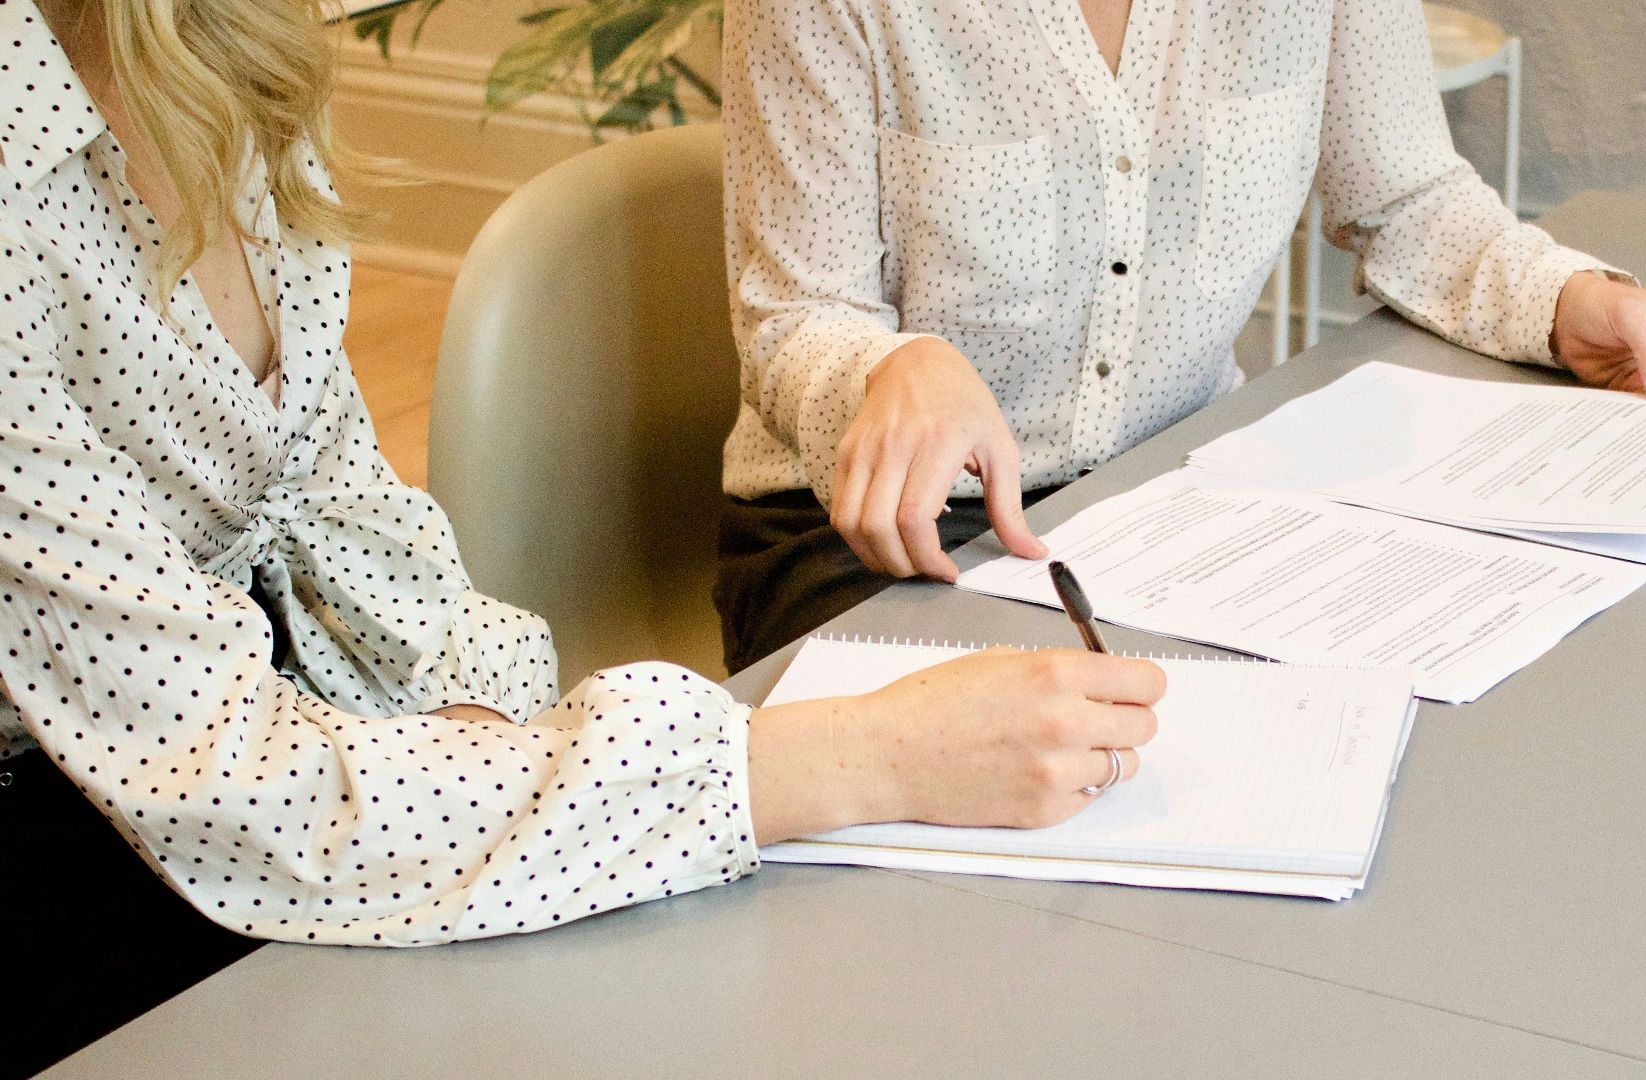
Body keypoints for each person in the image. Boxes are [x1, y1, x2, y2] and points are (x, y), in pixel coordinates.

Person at [0, 1, 1163, 1072]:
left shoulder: (224, 56)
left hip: (268, 759)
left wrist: (482, 736)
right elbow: (241, 785)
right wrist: (864, 758)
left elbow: (349, 526)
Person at [714, 0, 1646, 673]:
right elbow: (793, 315)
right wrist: (894, 368)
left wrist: (1563, 297)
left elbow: (1404, 194)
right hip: (874, 541)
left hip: (1168, 511)